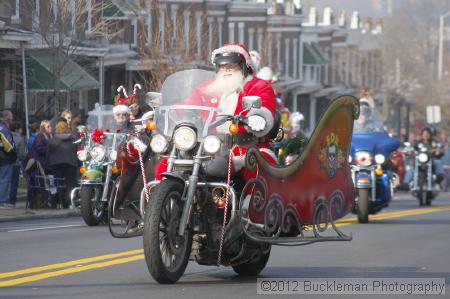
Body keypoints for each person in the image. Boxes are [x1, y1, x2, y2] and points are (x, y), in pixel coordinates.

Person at [153, 43, 277, 239]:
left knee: (259, 164)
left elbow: (266, 106)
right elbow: (187, 106)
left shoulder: (258, 86)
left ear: (244, 66)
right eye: (222, 67)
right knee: (165, 165)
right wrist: (164, 112)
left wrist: (259, 116)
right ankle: (159, 212)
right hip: (207, 147)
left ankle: (251, 213)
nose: (226, 71)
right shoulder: (207, 88)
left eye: (232, 66)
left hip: (244, 146)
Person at [46, 120, 78, 208]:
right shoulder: (73, 138)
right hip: (70, 163)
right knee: (70, 184)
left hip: (56, 164)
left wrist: (47, 164)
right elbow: (77, 151)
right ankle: (70, 202)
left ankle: (60, 202)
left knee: (59, 183)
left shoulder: (53, 139)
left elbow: (48, 152)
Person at [24, 120, 52, 208]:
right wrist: (50, 149)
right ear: (43, 128)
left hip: (44, 163)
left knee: (46, 182)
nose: (50, 128)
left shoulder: (49, 136)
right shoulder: (40, 136)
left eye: (50, 126)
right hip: (39, 164)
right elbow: (39, 149)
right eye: (48, 126)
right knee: (40, 183)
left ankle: (47, 201)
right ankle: (40, 202)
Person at [0, 110, 16, 208]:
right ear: (8, 118)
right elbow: (8, 146)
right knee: (4, 180)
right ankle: (1, 201)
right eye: (11, 117)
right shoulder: (4, 129)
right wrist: (14, 154)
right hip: (5, 158)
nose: (12, 120)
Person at [9, 122, 27, 207]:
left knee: (4, 181)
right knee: (14, 183)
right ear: (17, 129)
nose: (21, 131)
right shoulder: (19, 138)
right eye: (20, 129)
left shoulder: (6, 135)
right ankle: (12, 202)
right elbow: (22, 154)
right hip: (15, 163)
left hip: (5, 163)